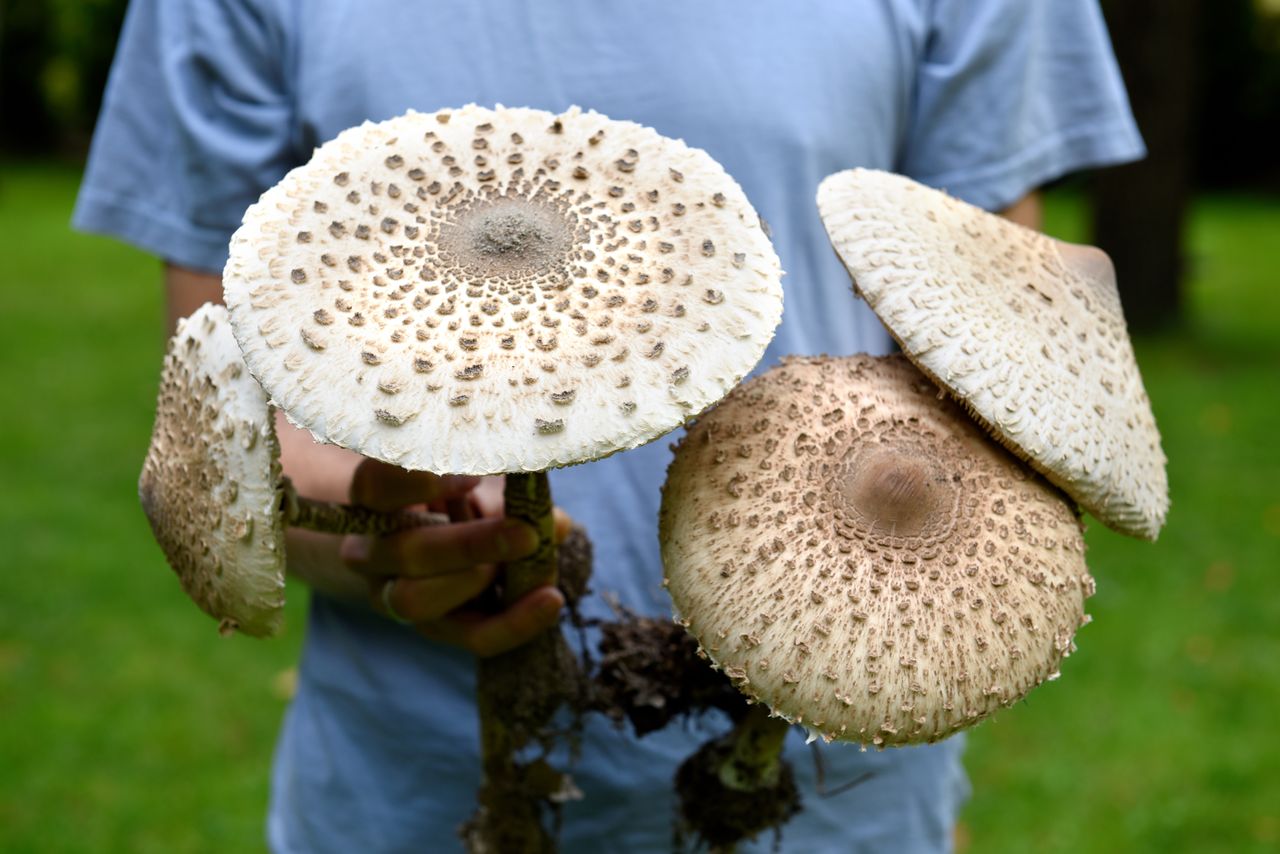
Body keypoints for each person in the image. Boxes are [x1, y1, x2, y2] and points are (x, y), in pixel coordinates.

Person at [75, 1, 1143, 850]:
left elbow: (1000, 372)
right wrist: (376, 533)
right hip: (407, 795)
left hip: (841, 788)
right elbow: (225, 406)